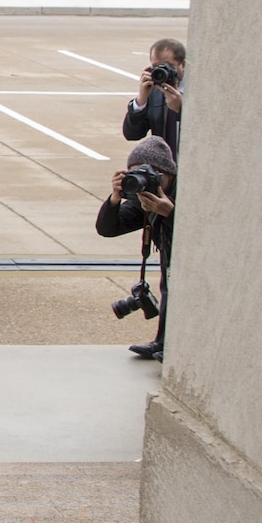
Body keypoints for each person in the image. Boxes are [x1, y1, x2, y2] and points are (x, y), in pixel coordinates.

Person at [97, 137, 176, 360]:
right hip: (170, 259)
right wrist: (115, 198)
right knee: (168, 288)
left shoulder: (185, 193)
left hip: (196, 262)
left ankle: (169, 346)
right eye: (135, 173)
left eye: (150, 174)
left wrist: (169, 213)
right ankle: (161, 343)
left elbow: (201, 232)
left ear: (167, 174)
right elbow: (107, 228)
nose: (143, 180)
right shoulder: (143, 198)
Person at [124, 37, 186, 159]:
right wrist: (141, 100)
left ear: (183, 65)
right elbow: (132, 134)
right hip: (165, 170)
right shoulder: (154, 93)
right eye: (157, 67)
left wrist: (181, 109)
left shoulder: (199, 92)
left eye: (169, 66)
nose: (164, 71)